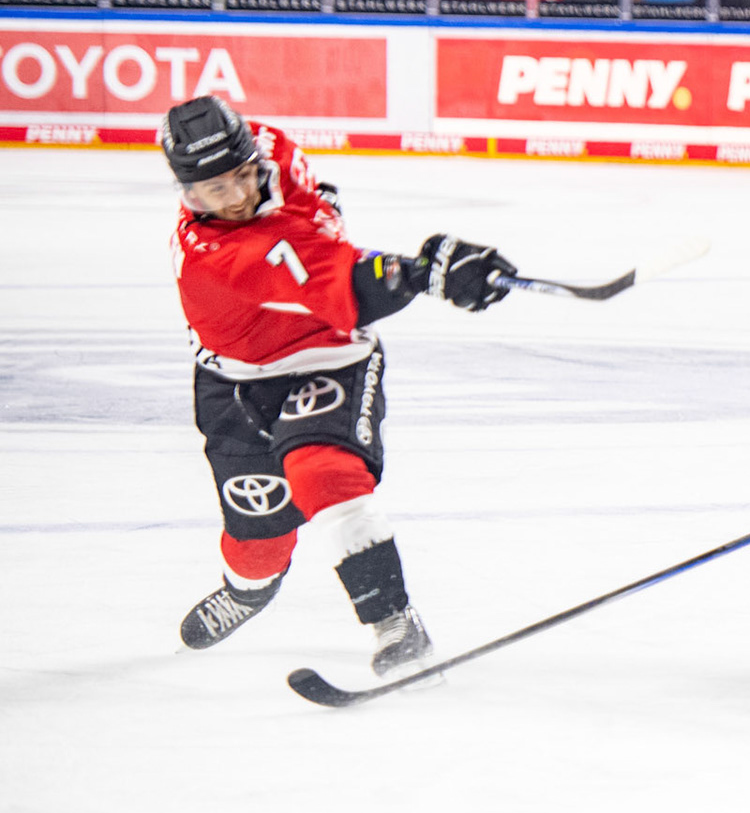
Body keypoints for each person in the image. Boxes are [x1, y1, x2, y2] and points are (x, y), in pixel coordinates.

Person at [162, 95, 517, 671]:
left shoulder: (272, 145)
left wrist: (424, 271)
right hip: (235, 383)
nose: (232, 199)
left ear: (254, 157)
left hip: (329, 356)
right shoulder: (213, 258)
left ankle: (395, 626)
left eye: (239, 178)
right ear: (186, 192)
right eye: (210, 191)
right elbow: (342, 278)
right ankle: (249, 590)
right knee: (258, 544)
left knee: (324, 472)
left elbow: (326, 239)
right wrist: (427, 274)